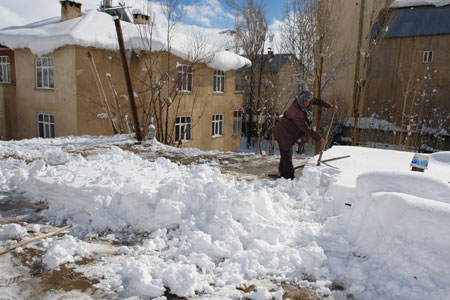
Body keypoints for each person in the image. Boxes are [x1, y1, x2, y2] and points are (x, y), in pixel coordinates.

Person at [274, 90, 338, 179]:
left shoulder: (303, 101)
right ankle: (289, 178)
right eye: (307, 102)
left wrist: (329, 107)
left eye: (309, 101)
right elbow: (306, 129)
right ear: (302, 100)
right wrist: (319, 138)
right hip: (284, 133)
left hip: (289, 133)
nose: (308, 103)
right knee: (287, 157)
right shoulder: (296, 112)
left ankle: (282, 175)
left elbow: (317, 101)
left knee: (285, 155)